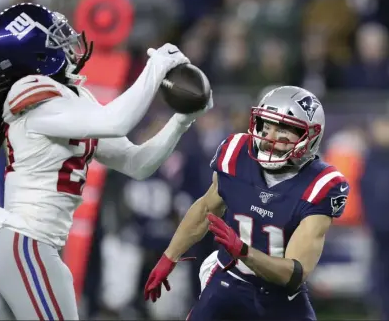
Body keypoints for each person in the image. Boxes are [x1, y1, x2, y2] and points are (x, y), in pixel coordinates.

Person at [0, 3, 212, 320]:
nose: (67, 41)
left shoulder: (73, 99)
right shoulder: (31, 89)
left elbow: (137, 163)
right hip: (25, 242)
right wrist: (155, 68)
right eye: (55, 37)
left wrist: (181, 121)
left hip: (14, 243)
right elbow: (116, 122)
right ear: (35, 54)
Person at [144, 86, 349, 320]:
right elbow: (204, 210)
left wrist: (244, 252)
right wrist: (169, 257)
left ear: (309, 137)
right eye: (267, 126)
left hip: (282, 298)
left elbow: (293, 274)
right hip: (229, 281)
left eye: (284, 130)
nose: (271, 138)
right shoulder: (236, 152)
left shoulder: (322, 184)